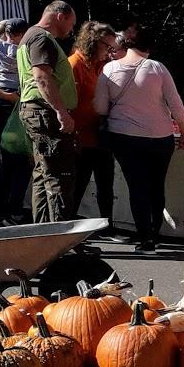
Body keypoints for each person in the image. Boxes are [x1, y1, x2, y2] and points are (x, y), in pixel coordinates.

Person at [94, 25, 184, 254]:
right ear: (149, 46)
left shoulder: (109, 69)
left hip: (124, 137)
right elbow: (175, 104)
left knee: (136, 186)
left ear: (125, 43)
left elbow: (99, 107)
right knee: (157, 186)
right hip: (160, 136)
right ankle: (155, 234)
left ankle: (145, 238)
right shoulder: (157, 68)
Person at [16, 1, 78, 222]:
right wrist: (61, 111)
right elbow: (42, 77)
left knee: (44, 174)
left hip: (36, 111)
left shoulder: (29, 36)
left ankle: (43, 233)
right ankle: (60, 237)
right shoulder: (42, 38)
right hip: (45, 113)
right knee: (59, 176)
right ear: (61, 16)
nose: (72, 29)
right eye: (72, 22)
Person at [69, 20, 119, 233]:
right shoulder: (74, 64)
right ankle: (68, 227)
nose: (110, 51)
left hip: (101, 135)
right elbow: (68, 103)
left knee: (106, 184)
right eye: (107, 46)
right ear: (93, 43)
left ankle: (107, 226)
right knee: (77, 185)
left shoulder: (103, 66)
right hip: (80, 136)